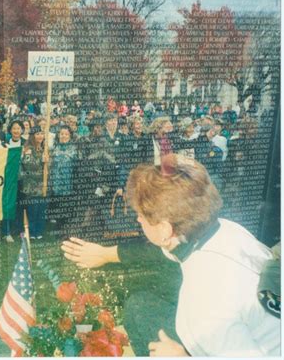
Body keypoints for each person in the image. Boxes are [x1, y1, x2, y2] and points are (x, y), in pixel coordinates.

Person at [62, 153, 279, 357]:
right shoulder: (222, 230)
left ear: (165, 230)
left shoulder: (205, 307)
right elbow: (158, 252)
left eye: (141, 215)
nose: (138, 220)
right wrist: (105, 254)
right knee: (140, 306)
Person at [19, 126, 48, 240]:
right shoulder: (27, 149)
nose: (40, 136)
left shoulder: (44, 149)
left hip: (43, 185)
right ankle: (31, 232)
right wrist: (41, 160)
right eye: (37, 134)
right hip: (31, 186)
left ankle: (39, 231)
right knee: (33, 210)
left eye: (41, 133)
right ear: (32, 136)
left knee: (41, 210)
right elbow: (28, 166)